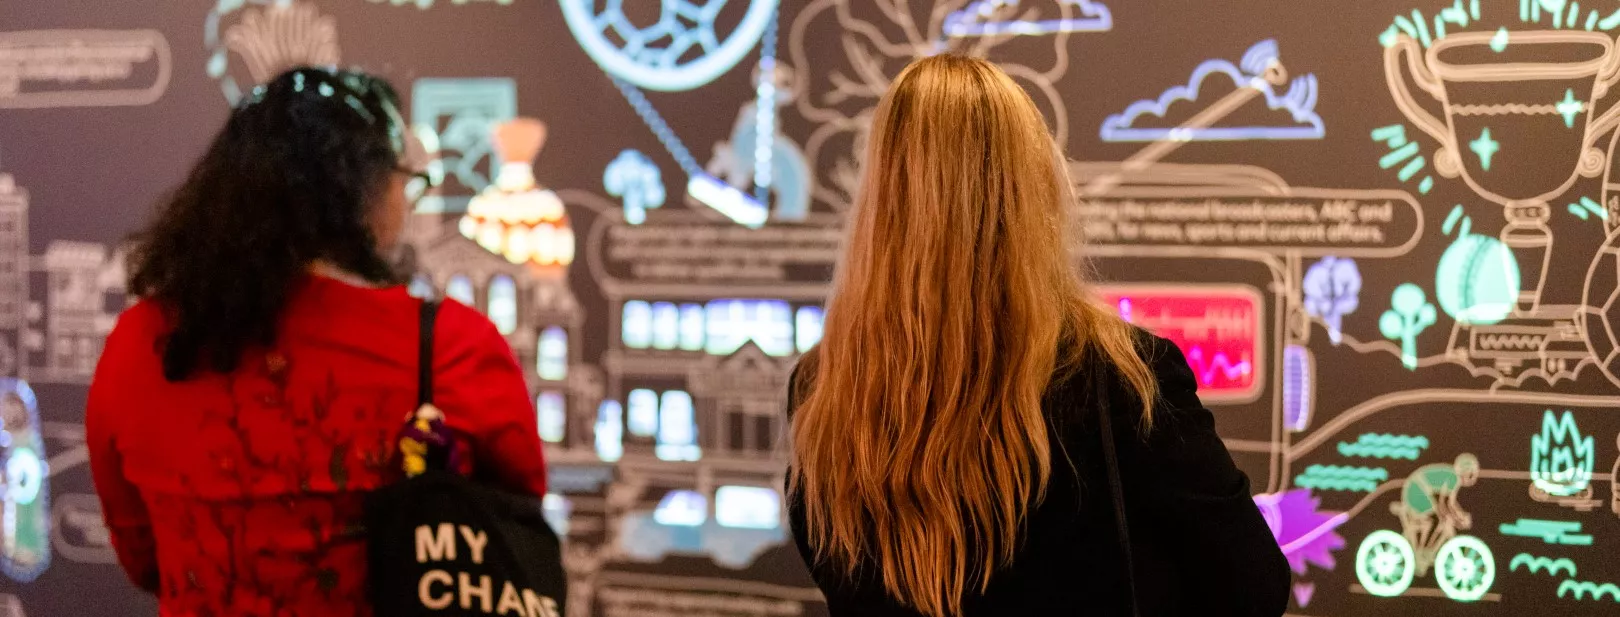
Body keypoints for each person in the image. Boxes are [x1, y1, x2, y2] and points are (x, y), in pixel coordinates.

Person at [785, 55, 1290, 617]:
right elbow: (1253, 585)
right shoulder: (1125, 376)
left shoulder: (821, 388)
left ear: (880, 201)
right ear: (1033, 188)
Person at [86, 67, 548, 616]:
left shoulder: (140, 345)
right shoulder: (452, 347)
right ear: (366, 191)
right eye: (405, 180)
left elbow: (144, 559)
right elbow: (514, 529)